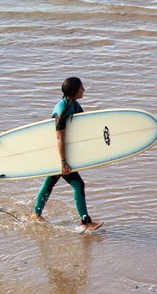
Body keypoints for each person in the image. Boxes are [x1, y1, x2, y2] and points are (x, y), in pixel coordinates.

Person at [31, 77, 103, 232]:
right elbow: (59, 138)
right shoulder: (62, 110)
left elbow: (82, 128)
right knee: (78, 184)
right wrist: (63, 162)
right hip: (59, 154)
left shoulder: (74, 105)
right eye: (81, 87)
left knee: (50, 183)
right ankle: (85, 223)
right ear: (74, 90)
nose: (84, 89)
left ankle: (36, 214)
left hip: (63, 153)